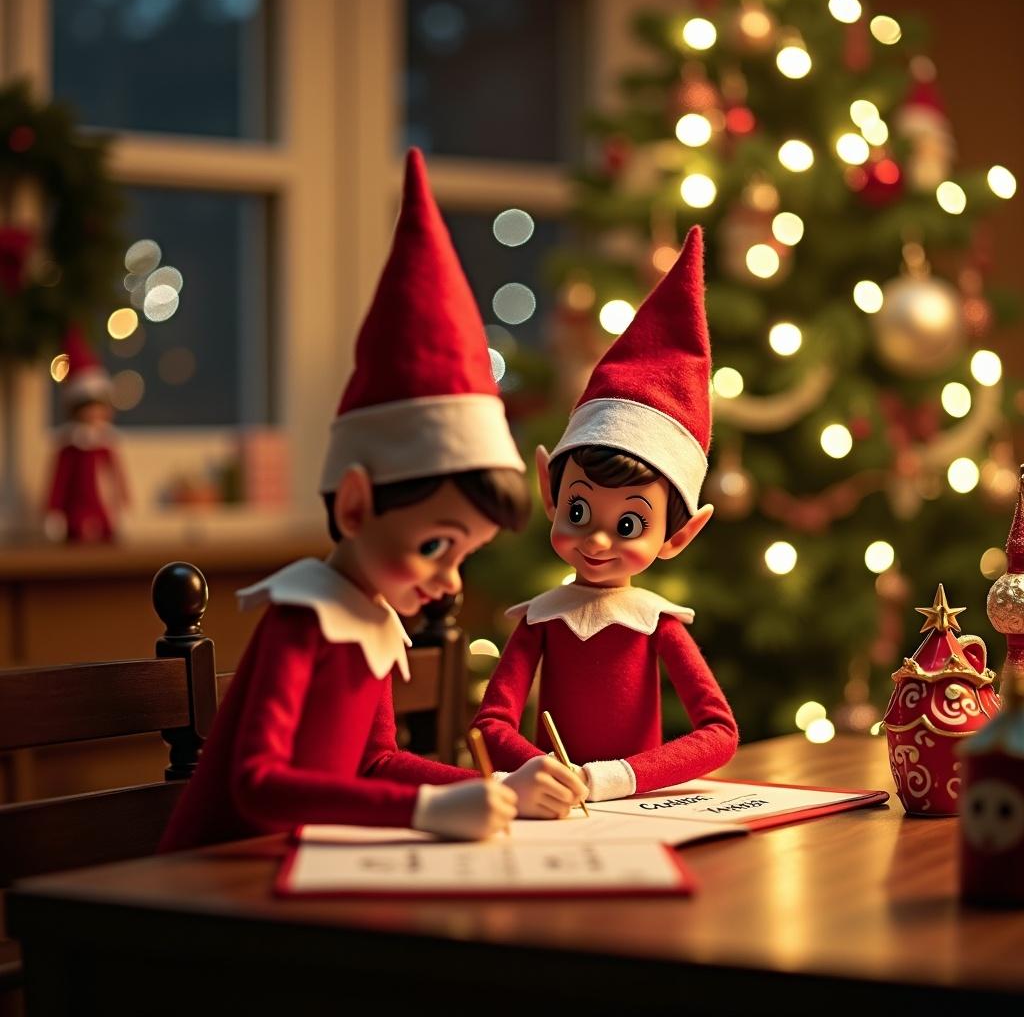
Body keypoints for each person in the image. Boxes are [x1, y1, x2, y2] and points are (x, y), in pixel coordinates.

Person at [160, 149, 584, 852]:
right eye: (435, 547)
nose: (449, 582)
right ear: (356, 506)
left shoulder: (372, 617)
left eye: (464, 557)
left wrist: (494, 789)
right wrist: (422, 814)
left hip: (308, 874)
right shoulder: (305, 618)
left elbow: (375, 761)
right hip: (221, 881)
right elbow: (257, 783)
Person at [473, 227, 738, 803]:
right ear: (549, 491)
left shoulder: (656, 622)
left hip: (643, 814)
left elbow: (719, 734)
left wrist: (618, 778)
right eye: (577, 509)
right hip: (554, 811)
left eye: (628, 524)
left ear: (679, 535)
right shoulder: (541, 620)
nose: (596, 539)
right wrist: (539, 770)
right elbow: (491, 724)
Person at [45, 327, 129, 542]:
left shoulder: (106, 444)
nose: (94, 413)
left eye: (98, 406)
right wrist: (54, 511)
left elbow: (115, 475)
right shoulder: (70, 446)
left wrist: (122, 501)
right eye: (88, 406)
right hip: (75, 514)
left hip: (104, 514)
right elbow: (60, 480)